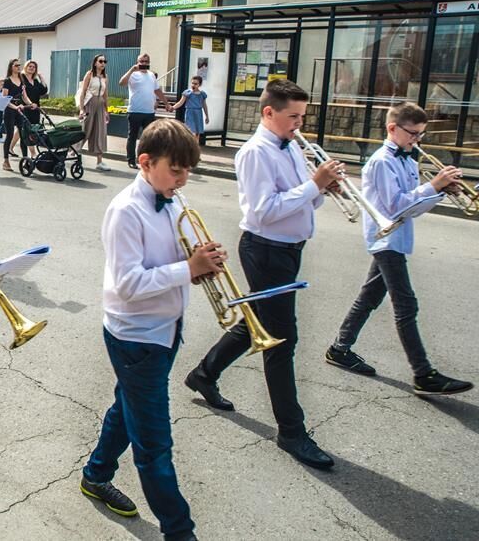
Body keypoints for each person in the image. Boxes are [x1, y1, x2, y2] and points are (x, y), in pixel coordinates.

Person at [184, 79, 343, 470]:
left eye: (303, 117)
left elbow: (300, 198)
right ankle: (292, 431)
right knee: (281, 341)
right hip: (266, 250)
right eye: (293, 117)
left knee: (259, 323)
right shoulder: (256, 152)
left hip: (288, 250)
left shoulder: (290, 146)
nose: (299, 125)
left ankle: (204, 374)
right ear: (268, 112)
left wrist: (322, 189)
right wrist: (313, 186)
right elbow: (262, 211)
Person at [80, 119, 215, 541]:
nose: (183, 177)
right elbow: (129, 284)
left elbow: (176, 261)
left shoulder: (173, 198)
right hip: (136, 336)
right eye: (176, 169)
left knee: (128, 408)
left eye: (187, 170)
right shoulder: (126, 210)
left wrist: (200, 261)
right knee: (155, 447)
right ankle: (180, 531)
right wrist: (186, 269)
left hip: (165, 329)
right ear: (145, 162)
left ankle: (95, 475)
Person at [326, 103, 473, 396]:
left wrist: (441, 190)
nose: (417, 140)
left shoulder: (407, 160)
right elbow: (395, 206)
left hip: (397, 237)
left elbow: (412, 207)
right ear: (392, 128)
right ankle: (423, 373)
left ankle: (339, 348)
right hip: (385, 239)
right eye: (413, 134)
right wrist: (433, 185)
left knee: (369, 297)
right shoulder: (382, 161)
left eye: (420, 135)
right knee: (406, 305)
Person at [120, 54, 168, 169]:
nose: (144, 63)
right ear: (137, 62)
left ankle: (146, 160)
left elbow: (157, 90)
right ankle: (131, 160)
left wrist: (166, 103)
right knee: (132, 136)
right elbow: (121, 83)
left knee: (149, 138)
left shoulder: (151, 75)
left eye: (146, 61)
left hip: (149, 112)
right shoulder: (133, 74)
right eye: (141, 61)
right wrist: (132, 69)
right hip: (135, 111)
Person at [0, 59, 34, 171]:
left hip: (20, 110)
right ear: (11, 67)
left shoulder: (21, 80)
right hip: (10, 110)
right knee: (9, 135)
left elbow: (24, 96)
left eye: (19, 65)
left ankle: (25, 160)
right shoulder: (7, 81)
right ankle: (6, 161)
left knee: (23, 134)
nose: (18, 67)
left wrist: (30, 104)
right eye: (16, 65)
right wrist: (15, 107)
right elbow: (5, 99)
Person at [79, 54, 110, 171]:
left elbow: (106, 94)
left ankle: (99, 161)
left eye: (104, 61)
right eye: (101, 61)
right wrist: (82, 108)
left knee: (100, 131)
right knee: (85, 128)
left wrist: (107, 110)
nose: (103, 64)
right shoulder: (90, 74)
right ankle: (73, 152)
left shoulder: (105, 77)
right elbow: (83, 92)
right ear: (95, 63)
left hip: (100, 103)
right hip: (90, 102)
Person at [171, 76, 209, 145]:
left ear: (199, 85)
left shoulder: (202, 94)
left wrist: (207, 116)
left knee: (197, 132)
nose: (193, 85)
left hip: (198, 113)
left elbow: (204, 105)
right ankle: (189, 145)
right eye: (192, 83)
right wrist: (173, 107)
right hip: (190, 112)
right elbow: (180, 102)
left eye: (196, 84)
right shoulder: (187, 93)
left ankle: (196, 146)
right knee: (190, 130)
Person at [20, 59, 48, 129]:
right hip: (25, 107)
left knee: (34, 128)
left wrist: (40, 76)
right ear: (25, 67)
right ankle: (11, 140)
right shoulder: (22, 78)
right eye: (30, 66)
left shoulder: (35, 80)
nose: (32, 68)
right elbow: (23, 94)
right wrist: (30, 104)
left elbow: (44, 90)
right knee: (24, 128)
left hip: (36, 107)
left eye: (34, 67)